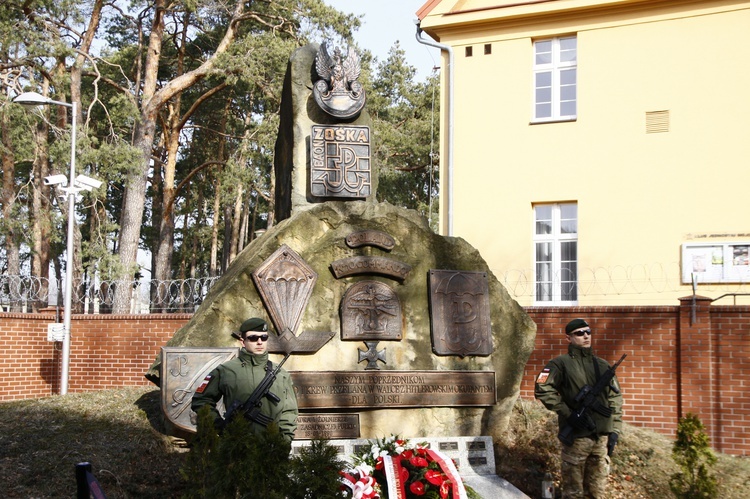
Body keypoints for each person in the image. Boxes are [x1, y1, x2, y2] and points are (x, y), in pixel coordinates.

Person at [534, 318, 623, 498]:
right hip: (577, 436)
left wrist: (615, 429)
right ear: (569, 338)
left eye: (588, 332)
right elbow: (542, 388)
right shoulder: (559, 364)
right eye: (580, 333)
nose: (585, 336)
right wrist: (568, 413)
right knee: (573, 492)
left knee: (597, 491)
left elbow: (615, 398)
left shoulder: (602, 365)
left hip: (600, 437)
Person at [191, 317, 298, 442]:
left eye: (264, 338)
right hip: (235, 445)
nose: (259, 342)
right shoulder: (225, 371)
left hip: (271, 447)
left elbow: (289, 411)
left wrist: (285, 440)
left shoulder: (281, 374)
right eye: (253, 338)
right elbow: (201, 401)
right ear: (243, 341)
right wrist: (220, 426)